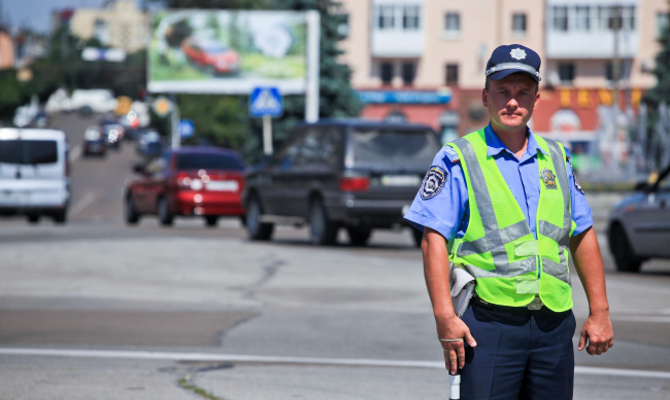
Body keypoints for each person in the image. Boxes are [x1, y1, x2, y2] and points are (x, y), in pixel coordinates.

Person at [404, 44, 614, 400]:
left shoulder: (558, 157)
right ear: (486, 97)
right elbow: (433, 240)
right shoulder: (459, 158)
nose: (512, 102)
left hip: (553, 324)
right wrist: (444, 317)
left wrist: (600, 311)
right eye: (503, 91)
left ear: (536, 99)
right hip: (490, 326)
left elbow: (583, 233)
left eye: (522, 93)